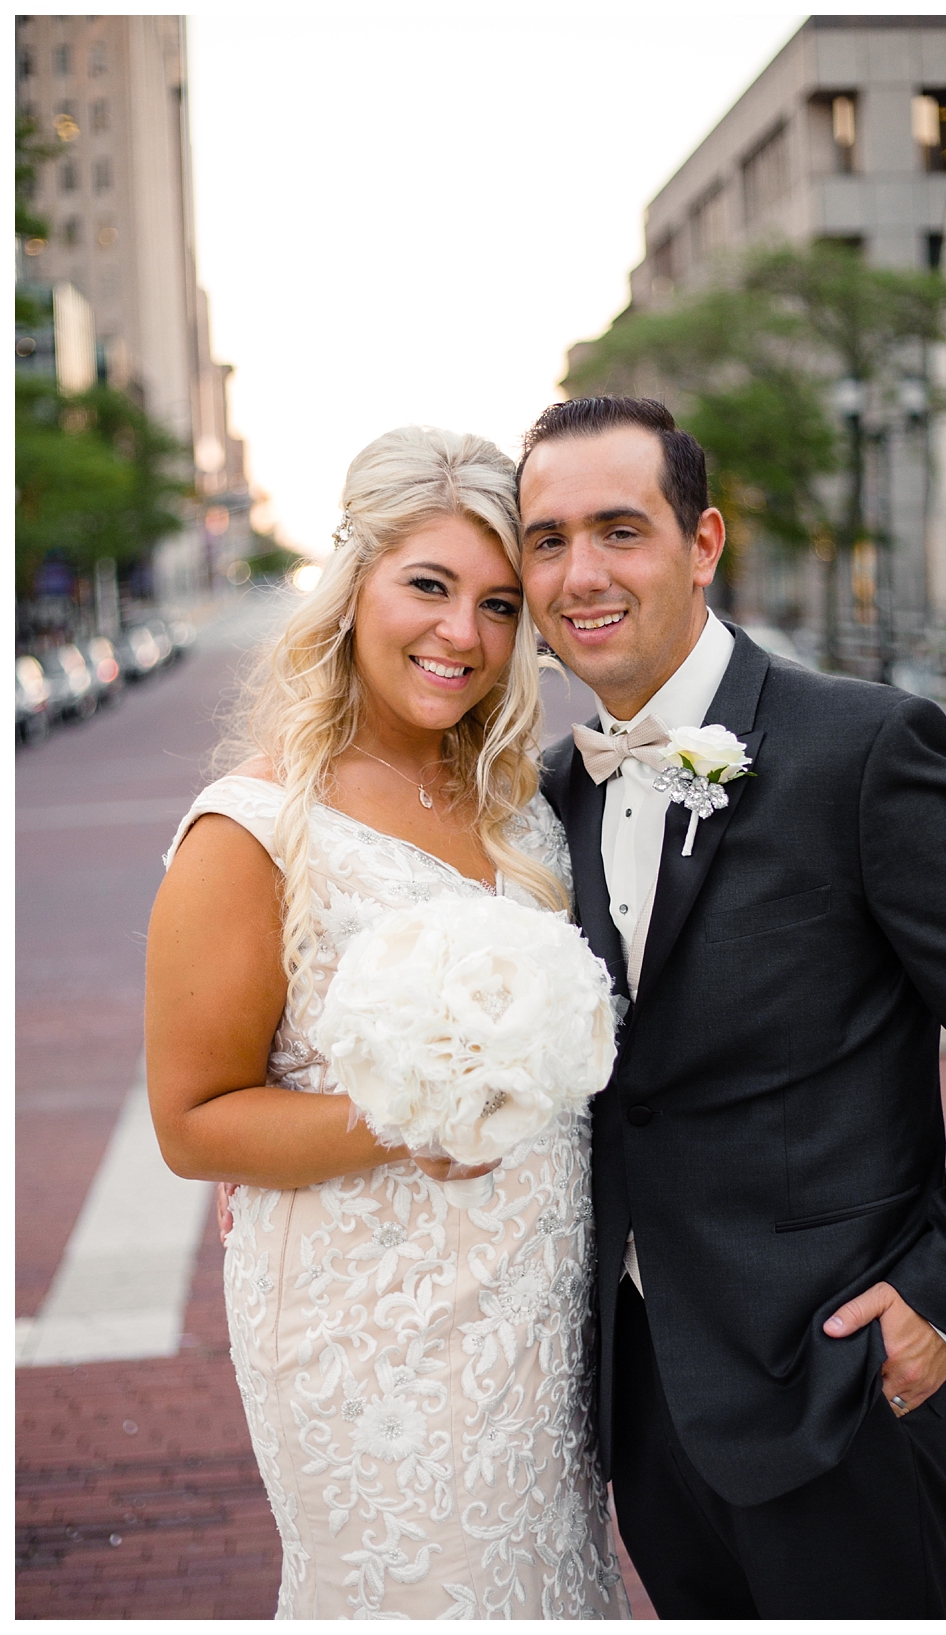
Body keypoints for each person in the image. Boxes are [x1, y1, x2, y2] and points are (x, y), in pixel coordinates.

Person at [515, 395, 946, 1618]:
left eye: (621, 530)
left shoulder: (862, 747)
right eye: (547, 539)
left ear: (703, 541)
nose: (581, 573)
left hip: (840, 1382)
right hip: (643, 1402)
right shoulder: (549, 795)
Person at [145, 427, 627, 1618]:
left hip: (541, 1322)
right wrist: (409, 1118)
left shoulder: (523, 809)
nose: (463, 634)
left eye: (501, 604)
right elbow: (194, 1122)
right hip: (367, 1338)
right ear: (353, 582)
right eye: (429, 586)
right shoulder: (255, 828)